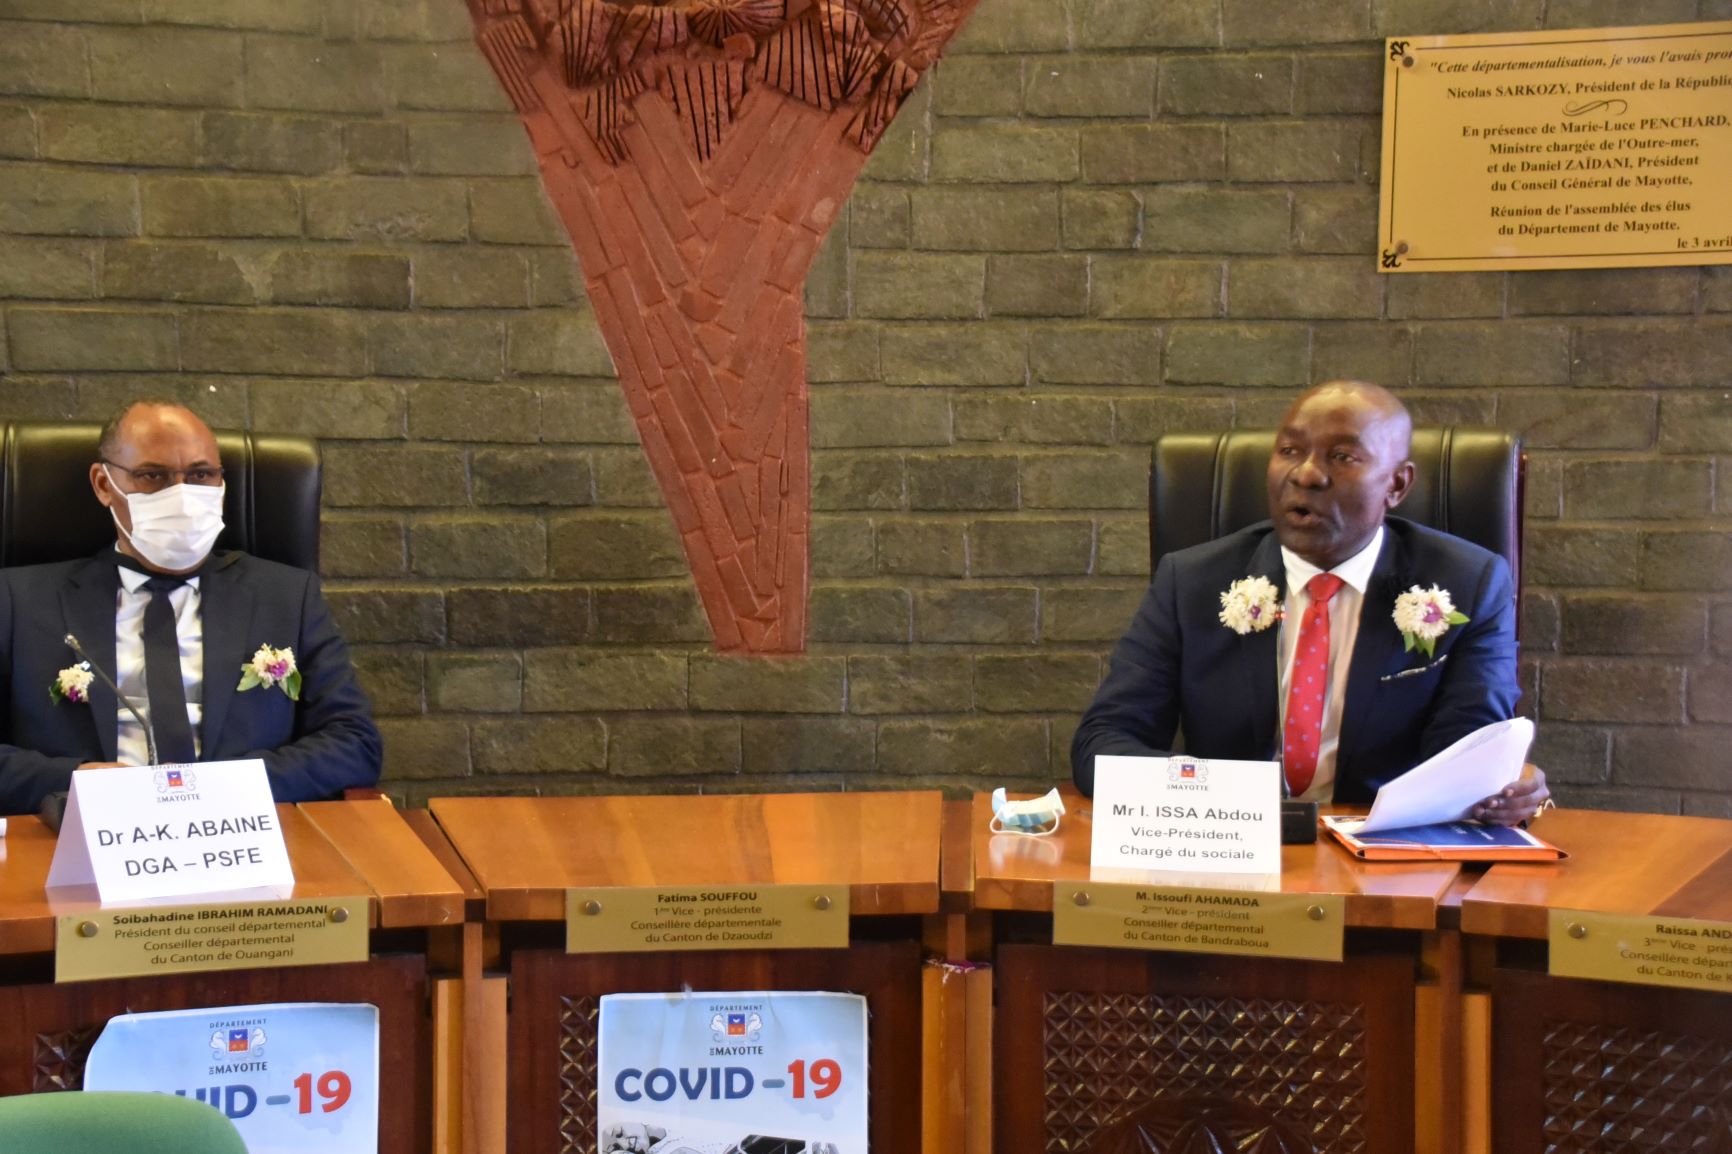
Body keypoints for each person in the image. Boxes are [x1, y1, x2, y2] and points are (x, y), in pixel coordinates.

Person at [1071, 381, 1549, 825]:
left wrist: (1499, 789)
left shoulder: (1467, 582)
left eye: (1342, 456)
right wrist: (1220, 797)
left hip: (1383, 848)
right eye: (1290, 451)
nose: (1306, 474)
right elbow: (1104, 744)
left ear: (1397, 486)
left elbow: (1469, 755)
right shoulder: (1192, 581)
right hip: (1227, 844)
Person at [0, 401, 382, 815]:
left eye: (201, 475)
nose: (181, 496)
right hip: (87, 830)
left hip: (239, 829)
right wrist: (77, 781)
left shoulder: (287, 596)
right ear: (104, 485)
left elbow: (354, 742)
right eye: (153, 476)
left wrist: (224, 788)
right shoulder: (19, 600)